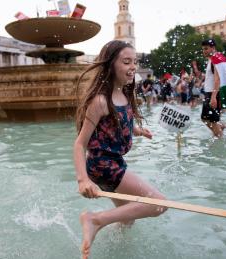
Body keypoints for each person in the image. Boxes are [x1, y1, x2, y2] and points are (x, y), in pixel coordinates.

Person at [73, 40, 167, 259]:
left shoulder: (123, 94)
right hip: (105, 166)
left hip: (111, 164)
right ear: (110, 65)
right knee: (159, 203)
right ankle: (94, 220)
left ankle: (110, 250)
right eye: (126, 62)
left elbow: (116, 125)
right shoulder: (99, 101)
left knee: (126, 218)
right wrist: (82, 180)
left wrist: (137, 131)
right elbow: (80, 143)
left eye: (135, 61)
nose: (133, 66)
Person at [200, 39, 226, 138]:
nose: (204, 51)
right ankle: (219, 129)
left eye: (206, 48)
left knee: (209, 119)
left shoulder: (215, 60)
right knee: (208, 119)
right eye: (203, 49)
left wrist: (213, 97)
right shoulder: (212, 59)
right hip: (211, 93)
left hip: (213, 94)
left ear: (213, 48)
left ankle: (220, 140)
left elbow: (218, 79)